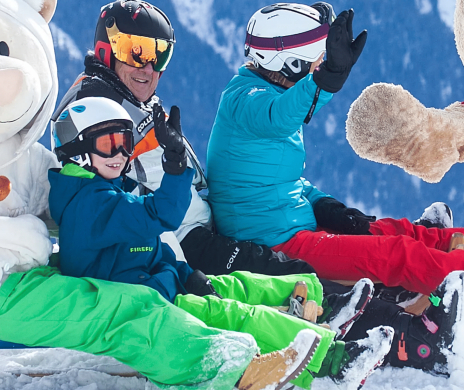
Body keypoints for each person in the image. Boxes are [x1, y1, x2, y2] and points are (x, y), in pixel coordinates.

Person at [51, 0, 464, 376]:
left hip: (196, 221)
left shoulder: (123, 96)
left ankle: (393, 289)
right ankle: (414, 338)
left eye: (158, 55)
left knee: (305, 239)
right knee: (288, 272)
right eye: (135, 50)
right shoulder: (95, 109)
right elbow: (97, 198)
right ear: (107, 47)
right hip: (177, 241)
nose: (147, 66)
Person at [206, 2, 464, 321]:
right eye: (315, 57)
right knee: (396, 256)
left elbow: (278, 176)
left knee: (401, 232)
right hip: (280, 246)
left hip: (296, 227)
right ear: (287, 61)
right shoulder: (247, 101)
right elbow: (280, 114)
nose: (319, 62)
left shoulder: (267, 91)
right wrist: (328, 76)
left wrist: (326, 205)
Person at [48, 96, 397, 390]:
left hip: (150, 287)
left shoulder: (104, 193)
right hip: (142, 307)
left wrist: (184, 273)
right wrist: (173, 165)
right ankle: (332, 360)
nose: (122, 153)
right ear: (77, 150)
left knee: (238, 284)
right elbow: (161, 216)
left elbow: (148, 248)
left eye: (126, 141)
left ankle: (325, 306)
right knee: (230, 312)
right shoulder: (91, 206)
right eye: (110, 143)